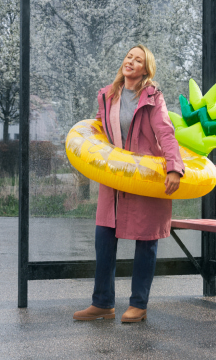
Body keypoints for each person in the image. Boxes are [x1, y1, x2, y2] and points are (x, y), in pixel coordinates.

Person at [73, 45, 185, 323]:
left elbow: (166, 133)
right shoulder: (107, 95)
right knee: (104, 239)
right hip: (114, 179)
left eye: (138, 60)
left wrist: (175, 168)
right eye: (128, 57)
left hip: (146, 177)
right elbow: (99, 130)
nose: (131, 62)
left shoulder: (153, 97)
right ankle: (102, 303)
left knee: (145, 242)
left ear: (146, 69)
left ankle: (139, 304)